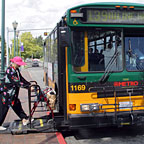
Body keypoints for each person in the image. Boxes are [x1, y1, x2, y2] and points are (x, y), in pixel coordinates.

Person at [0, 56, 31, 130]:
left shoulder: (16, 70)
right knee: (3, 109)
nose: (20, 65)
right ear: (14, 63)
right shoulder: (10, 70)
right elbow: (16, 81)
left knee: (16, 105)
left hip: (12, 93)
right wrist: (27, 87)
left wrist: (28, 84)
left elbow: (21, 79)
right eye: (18, 64)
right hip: (6, 93)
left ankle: (24, 118)